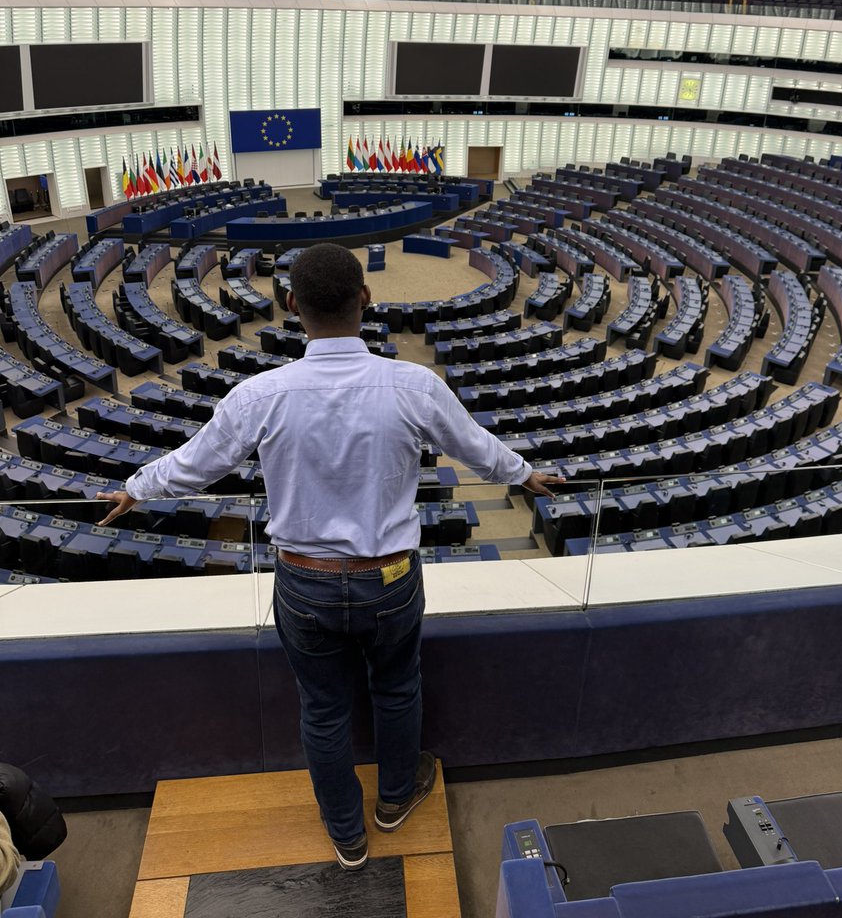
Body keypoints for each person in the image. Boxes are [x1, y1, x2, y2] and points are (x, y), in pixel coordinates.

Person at [98, 242, 562, 870]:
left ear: (292, 304)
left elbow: (193, 465)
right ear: (365, 298)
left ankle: (346, 833)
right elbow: (477, 448)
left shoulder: (260, 395)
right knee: (397, 689)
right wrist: (526, 474)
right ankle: (394, 800)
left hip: (304, 583)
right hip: (391, 579)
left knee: (323, 708)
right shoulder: (414, 386)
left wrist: (135, 487)